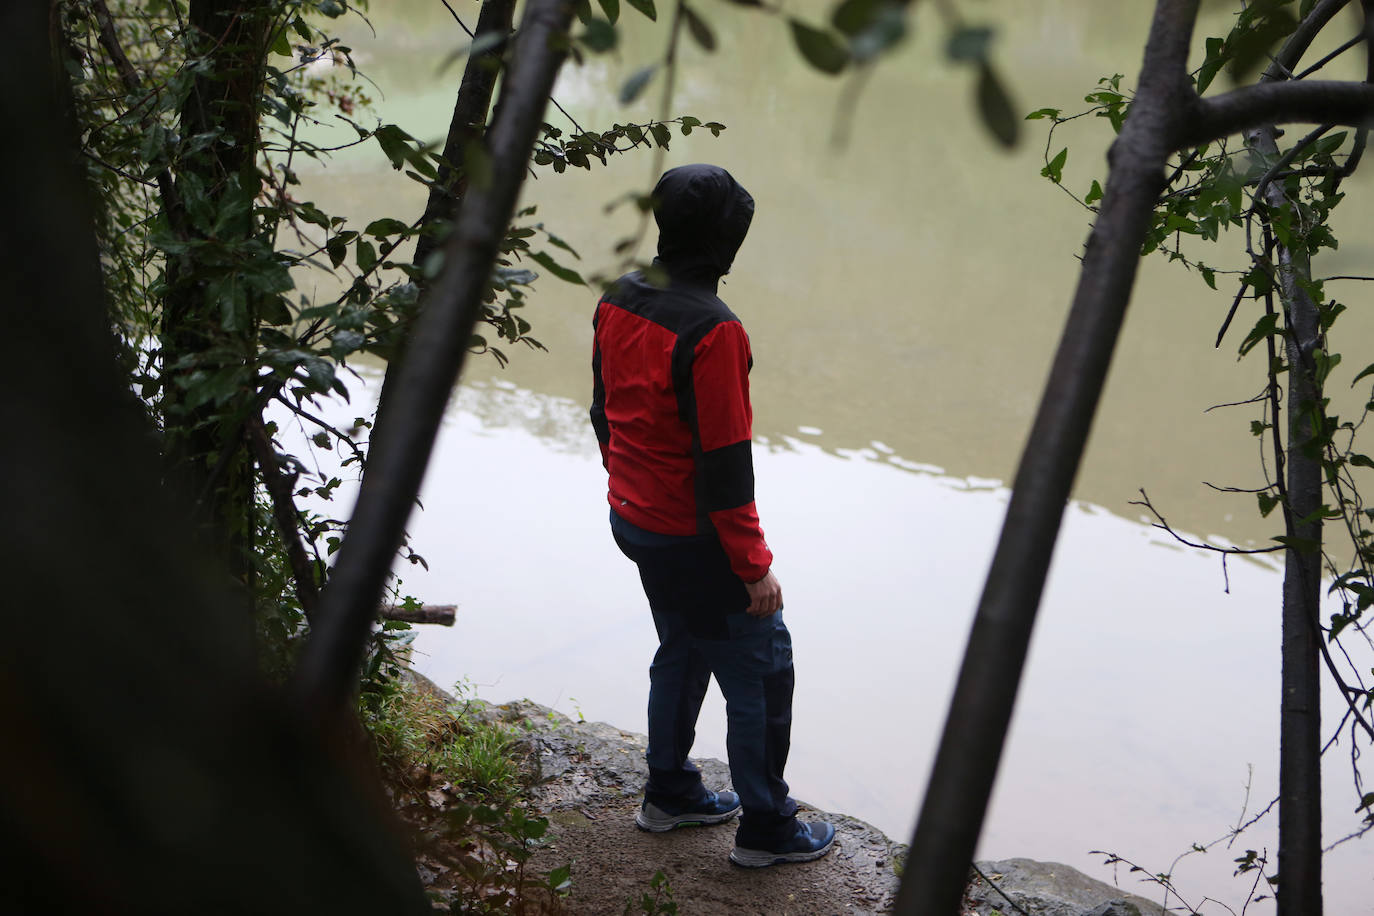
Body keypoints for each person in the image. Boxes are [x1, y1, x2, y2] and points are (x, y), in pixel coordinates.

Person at [589, 163, 834, 867]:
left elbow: (603, 413)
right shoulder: (714, 331)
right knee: (762, 674)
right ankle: (766, 828)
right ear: (728, 240)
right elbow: (726, 468)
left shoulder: (618, 297)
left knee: (684, 646)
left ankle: (669, 791)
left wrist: (631, 490)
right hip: (695, 541)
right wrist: (754, 570)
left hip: (635, 522)